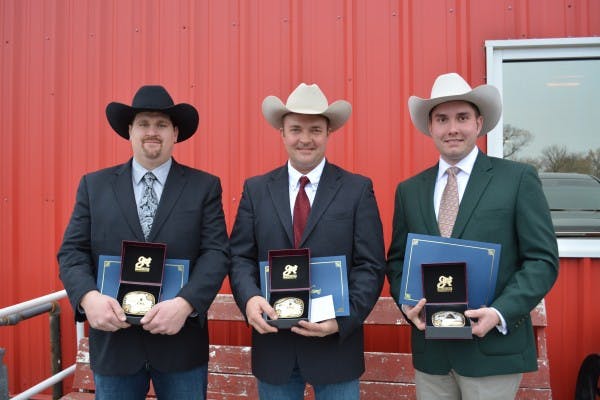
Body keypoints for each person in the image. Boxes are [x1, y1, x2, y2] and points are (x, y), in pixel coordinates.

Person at [386, 72, 559, 399]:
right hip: (433, 357)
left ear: (479, 123)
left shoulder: (517, 179)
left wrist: (498, 313)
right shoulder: (409, 191)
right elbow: (397, 262)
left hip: (492, 352)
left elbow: (542, 261)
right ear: (431, 127)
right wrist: (407, 303)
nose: (452, 128)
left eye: (462, 117)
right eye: (442, 119)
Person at [58, 85, 230, 399]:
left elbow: (216, 253)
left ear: (175, 133)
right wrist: (88, 298)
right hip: (115, 344)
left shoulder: (203, 186)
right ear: (129, 131)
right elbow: (72, 251)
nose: (152, 131)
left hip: (181, 343)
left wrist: (185, 304)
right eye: (144, 124)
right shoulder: (94, 186)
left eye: (162, 124)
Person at [229, 83, 386, 399]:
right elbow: (240, 257)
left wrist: (343, 319)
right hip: (275, 346)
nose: (305, 138)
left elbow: (371, 264)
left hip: (336, 347)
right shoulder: (256, 190)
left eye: (315, 129)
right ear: (282, 134)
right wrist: (249, 299)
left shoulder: (357, 190)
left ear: (328, 133)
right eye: (296, 129)